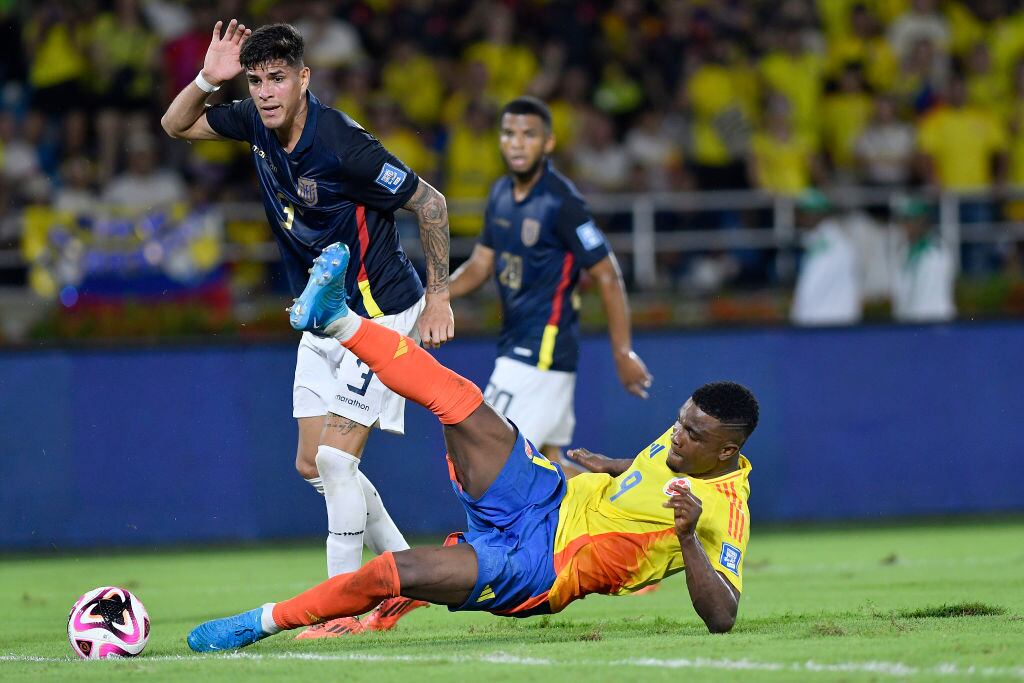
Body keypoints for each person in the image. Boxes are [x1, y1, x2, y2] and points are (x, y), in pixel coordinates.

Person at [186, 242, 757, 653]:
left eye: (693, 437)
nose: (678, 438)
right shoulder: (687, 441)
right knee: (459, 398)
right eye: (679, 425)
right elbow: (652, 468)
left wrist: (686, 535)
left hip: (541, 568)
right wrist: (614, 465)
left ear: (726, 453)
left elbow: (723, 617)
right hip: (546, 496)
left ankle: (262, 622)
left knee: (396, 571)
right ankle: (336, 319)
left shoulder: (726, 509)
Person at [160, 20, 455, 635]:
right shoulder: (251, 120)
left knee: (336, 462)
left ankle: (342, 608)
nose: (265, 92)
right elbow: (176, 125)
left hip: (378, 314)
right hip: (320, 318)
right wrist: (205, 80)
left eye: (278, 79)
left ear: (303, 79)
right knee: (312, 465)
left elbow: (432, 203)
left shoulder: (345, 145)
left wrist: (438, 298)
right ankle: (406, 579)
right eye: (256, 80)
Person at [449, 97, 651, 475]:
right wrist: (436, 293)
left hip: (541, 349)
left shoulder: (561, 202)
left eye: (529, 134)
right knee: (548, 464)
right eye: (509, 133)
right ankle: (633, 503)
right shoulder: (500, 194)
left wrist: (623, 352)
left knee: (489, 461)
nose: (518, 142)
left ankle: (634, 504)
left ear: (548, 143)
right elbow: (480, 265)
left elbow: (607, 274)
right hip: (518, 344)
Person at [790, 189, 863, 326]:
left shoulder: (834, 245)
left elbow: (812, 292)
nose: (798, 219)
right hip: (823, 326)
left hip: (831, 326)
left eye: (803, 213)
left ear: (818, 215)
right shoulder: (818, 243)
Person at [890, 197, 956, 322]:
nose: (905, 225)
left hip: (933, 324)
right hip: (912, 325)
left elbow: (926, 298)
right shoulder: (905, 251)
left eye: (909, 220)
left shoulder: (936, 251)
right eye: (903, 220)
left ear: (922, 221)